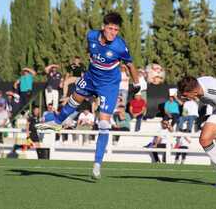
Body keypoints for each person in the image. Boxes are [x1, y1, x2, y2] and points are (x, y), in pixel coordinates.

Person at [36, 12, 141, 179]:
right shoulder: (91, 36)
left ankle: (97, 165)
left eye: (116, 30)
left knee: (104, 124)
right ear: (103, 27)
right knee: (74, 100)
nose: (113, 32)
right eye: (110, 28)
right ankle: (57, 122)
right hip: (91, 78)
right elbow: (91, 52)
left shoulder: (119, 46)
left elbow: (130, 65)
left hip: (108, 86)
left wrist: (136, 84)